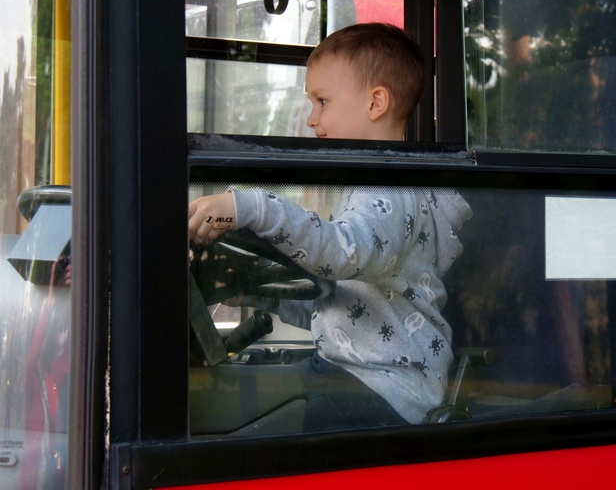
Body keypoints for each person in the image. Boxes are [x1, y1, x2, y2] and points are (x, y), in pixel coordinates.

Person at [189, 22, 473, 429]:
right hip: (344, 373)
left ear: (376, 103)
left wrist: (252, 206)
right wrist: (250, 290)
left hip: (385, 388)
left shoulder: (391, 189)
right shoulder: (364, 187)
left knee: (236, 423)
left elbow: (341, 253)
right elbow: (336, 304)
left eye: (322, 101)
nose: (311, 119)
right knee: (238, 405)